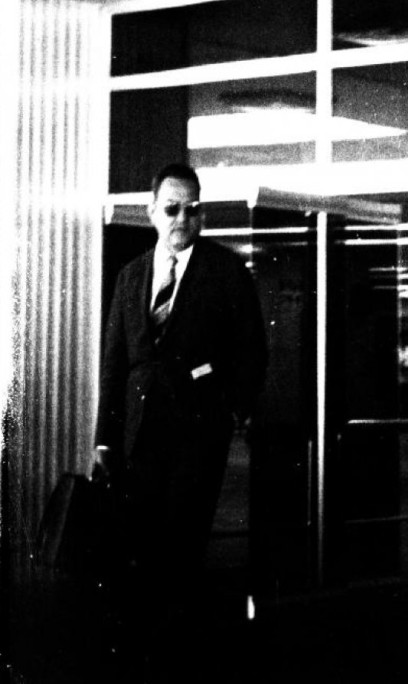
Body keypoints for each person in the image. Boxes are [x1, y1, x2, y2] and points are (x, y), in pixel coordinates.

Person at [92, 163, 268, 678]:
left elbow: (252, 353)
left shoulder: (225, 272)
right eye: (172, 209)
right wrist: (105, 439)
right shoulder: (130, 277)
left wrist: (229, 410)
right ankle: (138, 650)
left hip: (196, 435)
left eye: (193, 209)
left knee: (182, 545)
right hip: (138, 437)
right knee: (139, 545)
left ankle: (175, 656)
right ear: (151, 213)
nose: (182, 219)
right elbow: (114, 364)